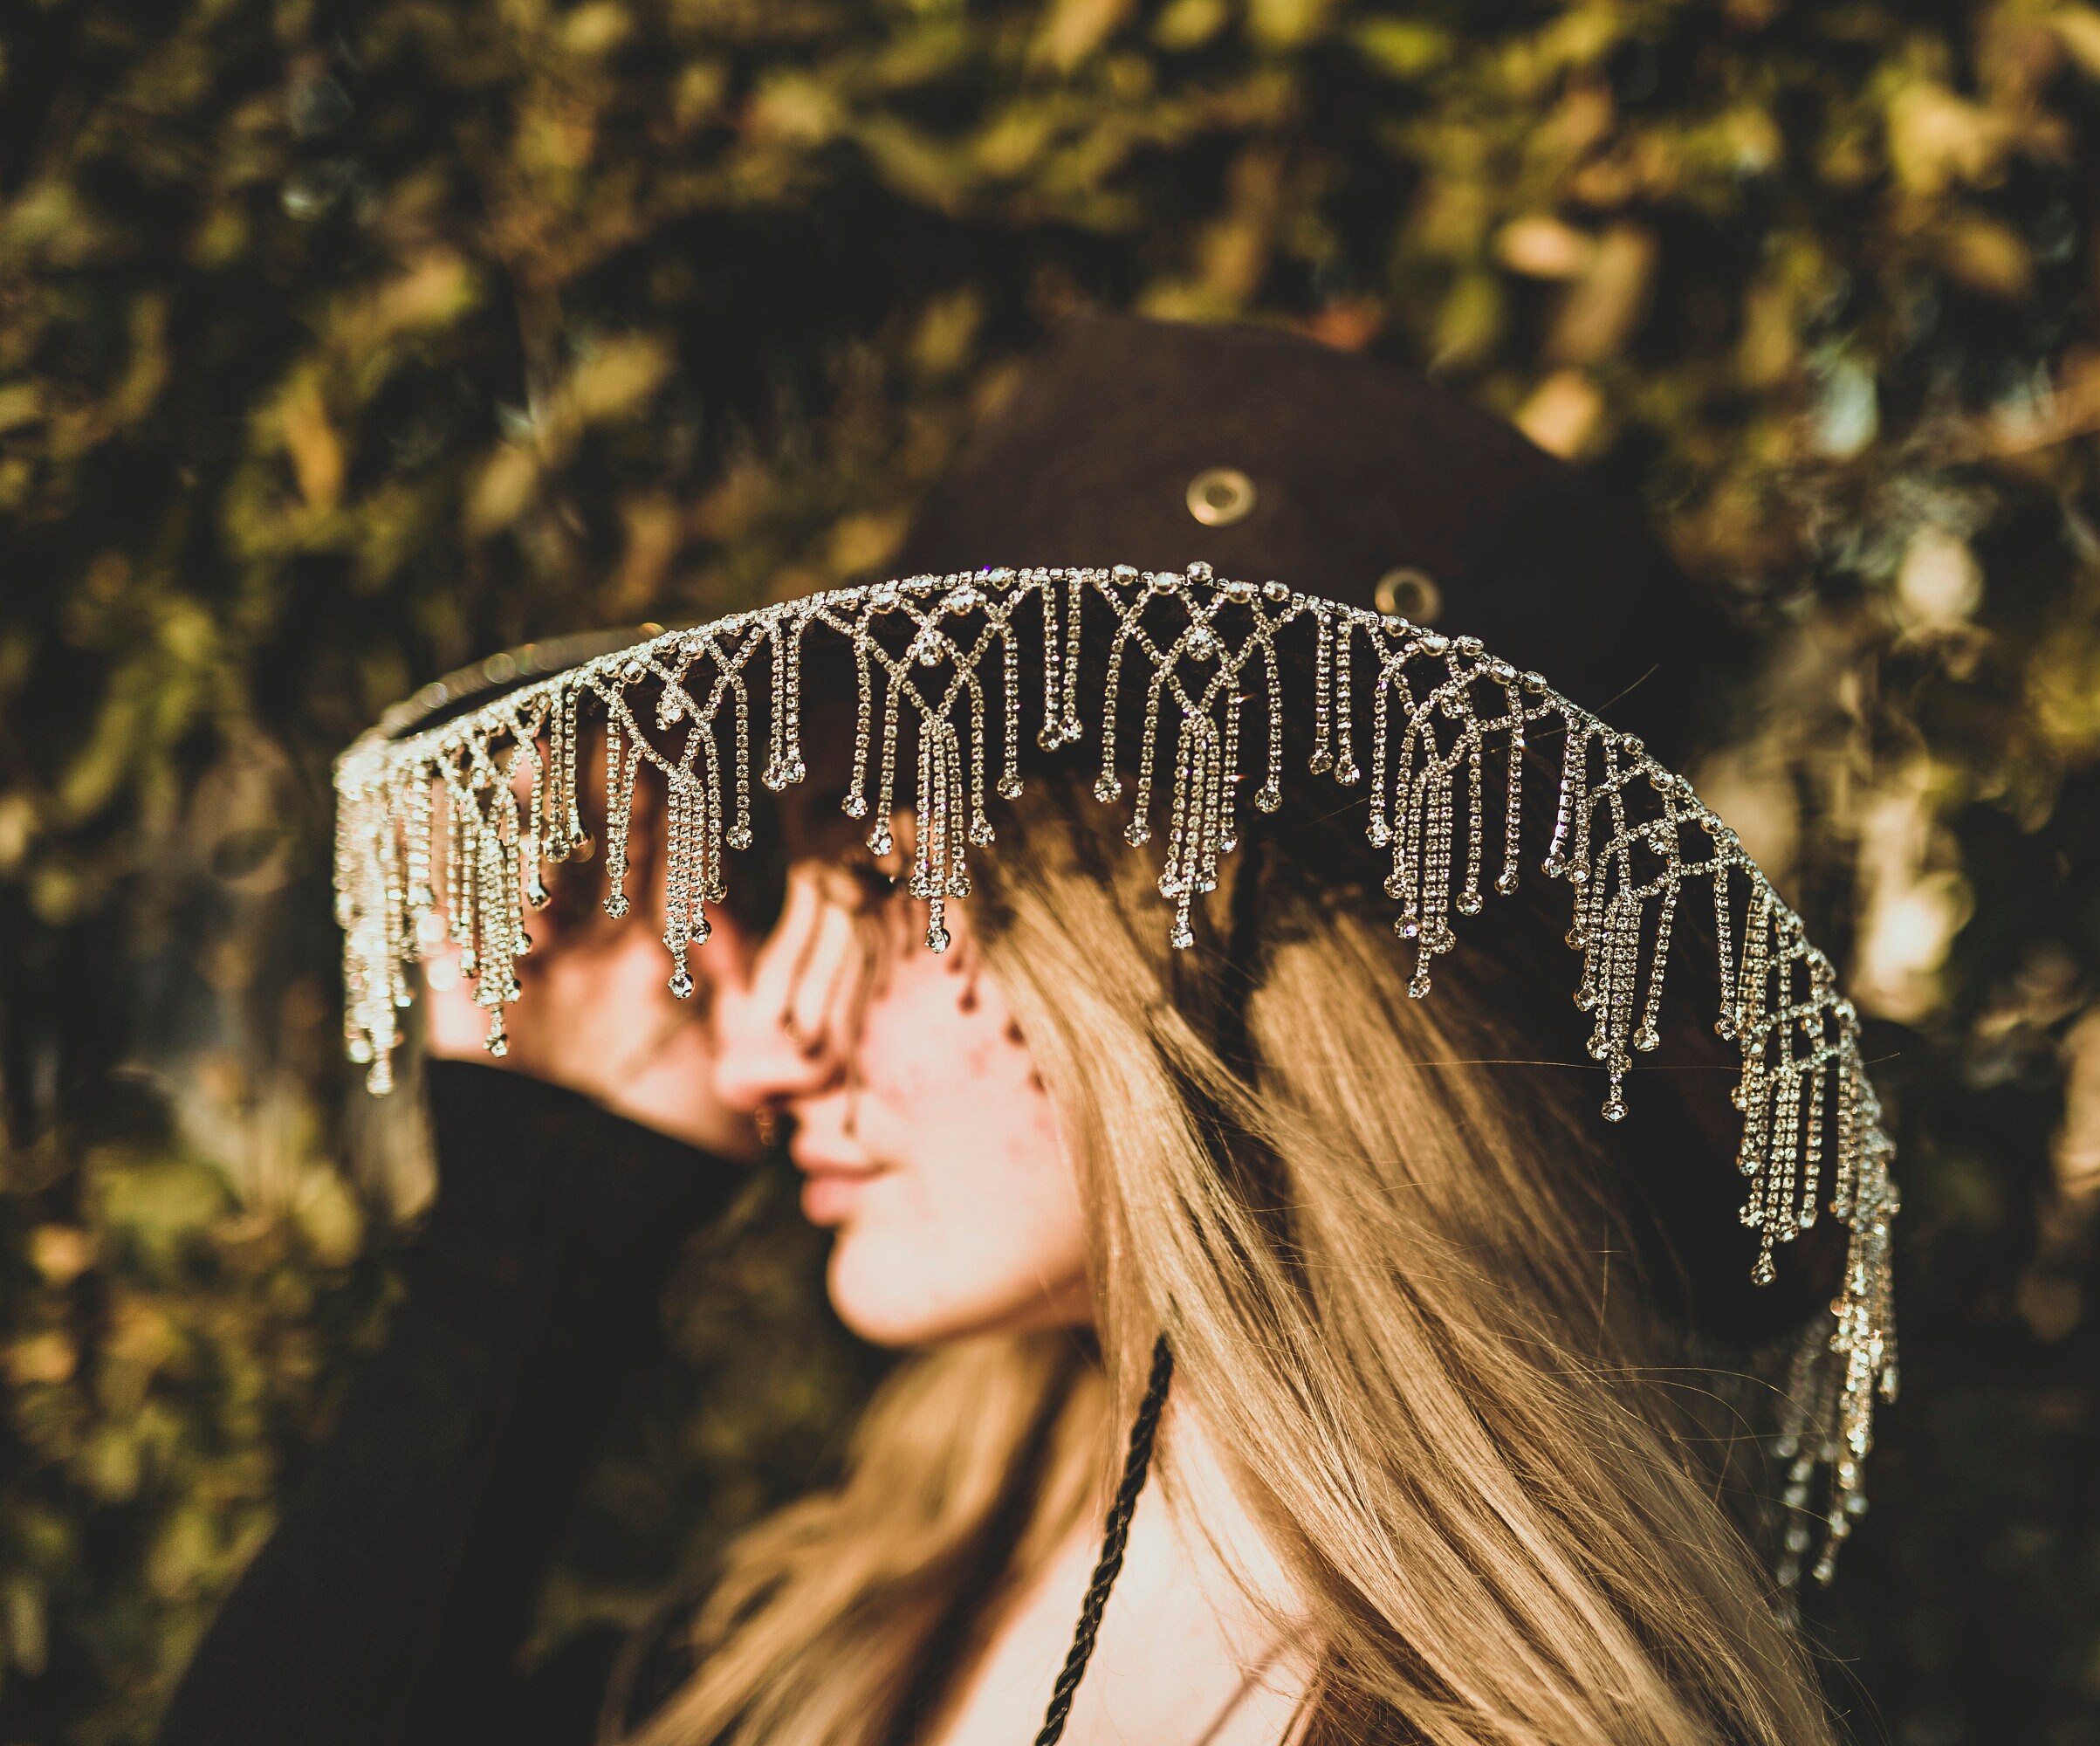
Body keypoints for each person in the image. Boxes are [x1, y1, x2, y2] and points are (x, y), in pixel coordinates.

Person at [155, 317, 1896, 1746]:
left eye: (878, 887)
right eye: (780, 892)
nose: (759, 1050)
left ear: (1203, 945)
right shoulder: (798, 1649)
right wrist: (552, 1201)